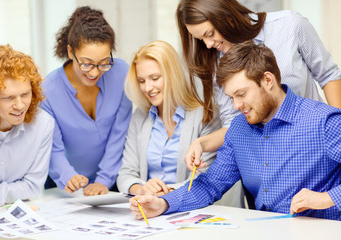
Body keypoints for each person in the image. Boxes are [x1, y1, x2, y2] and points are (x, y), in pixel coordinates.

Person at [129, 41, 341, 221]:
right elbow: (210, 185)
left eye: (241, 94)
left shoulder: (324, 121)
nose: (236, 105)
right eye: (231, 97)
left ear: (268, 81)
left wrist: (327, 198)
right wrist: (162, 204)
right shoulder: (239, 130)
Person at [176, 0, 341, 171]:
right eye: (201, 39)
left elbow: (329, 76)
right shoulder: (216, 60)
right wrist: (201, 143)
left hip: (313, 148)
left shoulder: (289, 25)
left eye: (210, 34)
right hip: (265, 164)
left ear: (227, 16)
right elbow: (233, 123)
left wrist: (336, 130)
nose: (208, 44)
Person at [41, 6, 132, 196]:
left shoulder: (122, 74)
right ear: (70, 51)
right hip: (64, 185)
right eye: (87, 63)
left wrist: (104, 180)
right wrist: (69, 177)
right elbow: (52, 148)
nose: (95, 72)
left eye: (104, 62)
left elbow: (119, 135)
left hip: (110, 182)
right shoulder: (48, 90)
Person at [117, 40, 221, 196]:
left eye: (155, 78)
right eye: (141, 81)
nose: (147, 88)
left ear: (173, 75)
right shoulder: (140, 116)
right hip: (149, 206)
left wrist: (166, 194)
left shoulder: (205, 115)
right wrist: (143, 189)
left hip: (188, 208)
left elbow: (205, 177)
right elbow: (126, 173)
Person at [0, 45, 54, 207]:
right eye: (8, 98)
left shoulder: (43, 125)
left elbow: (32, 187)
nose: (20, 105)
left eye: (25, 94)